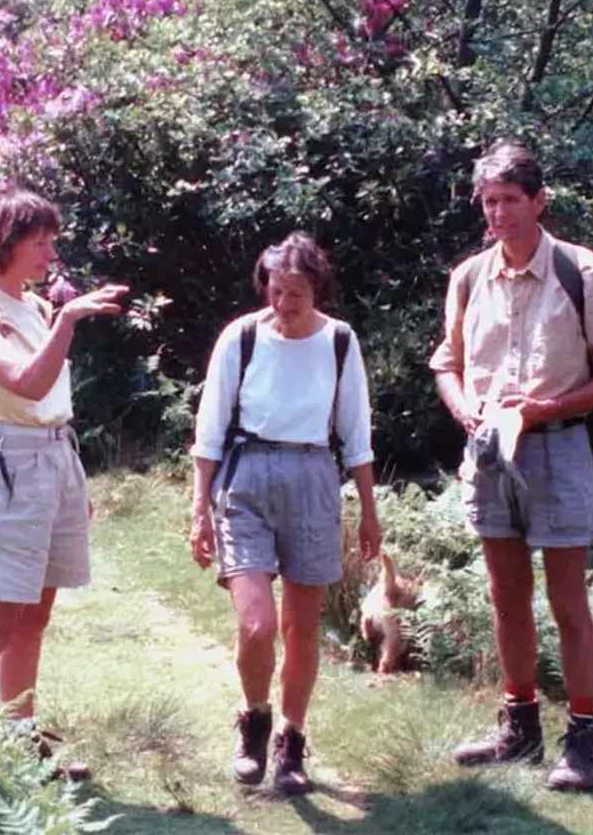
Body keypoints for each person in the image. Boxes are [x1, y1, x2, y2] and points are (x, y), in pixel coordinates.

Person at [429, 141, 593, 792]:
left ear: (539, 201)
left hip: (559, 448)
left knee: (567, 601)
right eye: (489, 202)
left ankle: (582, 742)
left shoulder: (583, 272)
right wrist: (466, 410)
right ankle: (518, 731)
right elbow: (447, 363)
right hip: (489, 451)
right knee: (505, 594)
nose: (498, 214)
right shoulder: (469, 277)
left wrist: (547, 407)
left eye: (511, 201)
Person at [188, 232, 382, 796]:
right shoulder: (241, 338)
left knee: (301, 630)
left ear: (316, 287)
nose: (284, 304)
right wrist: (199, 509)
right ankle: (253, 720)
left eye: (295, 293)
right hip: (245, 476)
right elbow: (208, 430)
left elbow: (357, 434)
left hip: (314, 478)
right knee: (257, 625)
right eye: (276, 291)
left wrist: (369, 511)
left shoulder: (341, 343)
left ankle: (291, 742)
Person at [0, 188, 127, 777]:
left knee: (34, 618)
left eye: (53, 240)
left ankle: (21, 747)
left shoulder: (31, 306)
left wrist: (69, 479)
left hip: (52, 461)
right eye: (40, 241)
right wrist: (70, 319)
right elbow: (24, 381)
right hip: (6, 468)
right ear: (6, 243)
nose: (51, 251)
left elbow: (50, 399)